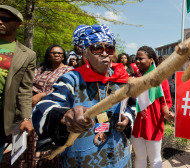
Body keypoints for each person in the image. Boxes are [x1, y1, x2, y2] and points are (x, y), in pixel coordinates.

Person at [32, 24, 135, 167]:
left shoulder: (121, 79)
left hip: (120, 159)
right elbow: (43, 108)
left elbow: (131, 105)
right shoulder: (72, 79)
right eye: (97, 48)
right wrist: (64, 116)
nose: (105, 53)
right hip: (82, 160)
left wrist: (128, 119)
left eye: (109, 49)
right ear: (86, 54)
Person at [0, 5, 36, 163]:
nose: (0, 22)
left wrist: (26, 117)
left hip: (2, 116)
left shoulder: (27, 55)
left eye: (5, 19)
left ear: (18, 24)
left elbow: (25, 89)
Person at [131, 46, 174, 168]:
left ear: (151, 60)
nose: (137, 61)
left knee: (155, 159)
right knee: (140, 156)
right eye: (136, 59)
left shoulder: (160, 79)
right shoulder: (133, 78)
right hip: (137, 124)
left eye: (141, 58)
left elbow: (165, 101)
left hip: (153, 124)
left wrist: (166, 113)